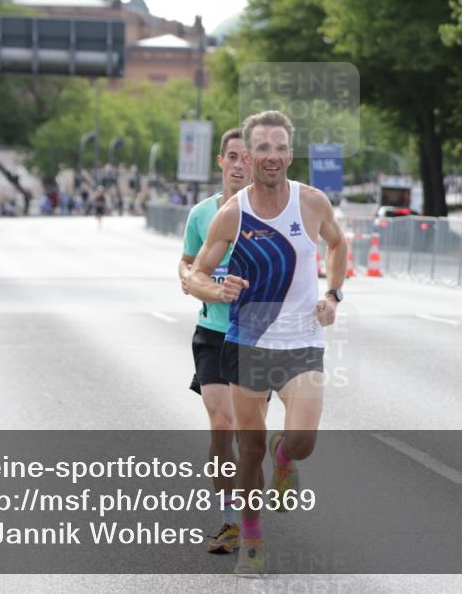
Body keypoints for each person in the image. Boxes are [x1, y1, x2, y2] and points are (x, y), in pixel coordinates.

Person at [187, 110, 348, 577]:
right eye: (262, 148)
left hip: (302, 342)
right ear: (250, 156)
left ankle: (286, 457)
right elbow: (196, 272)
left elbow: (337, 245)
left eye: (280, 147)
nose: (272, 156)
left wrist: (333, 294)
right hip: (248, 342)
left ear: (290, 154)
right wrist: (217, 290)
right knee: (248, 448)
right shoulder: (231, 214)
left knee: (302, 441)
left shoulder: (313, 202)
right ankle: (252, 540)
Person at [178, 129, 250, 555]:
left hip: (256, 335)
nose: (240, 165)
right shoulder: (201, 215)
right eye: (233, 157)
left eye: (247, 158)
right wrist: (195, 283)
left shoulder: (268, 215)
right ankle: (228, 522)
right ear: (221, 162)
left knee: (248, 431)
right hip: (212, 332)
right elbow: (187, 266)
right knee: (222, 424)